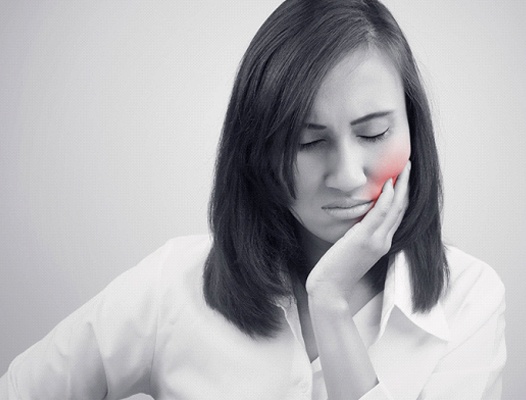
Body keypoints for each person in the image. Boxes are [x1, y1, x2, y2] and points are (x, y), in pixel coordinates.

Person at [0, 0, 506, 399]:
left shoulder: (469, 298)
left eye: (373, 134)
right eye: (309, 142)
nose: (349, 177)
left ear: (413, 130)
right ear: (259, 149)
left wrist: (328, 302)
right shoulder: (173, 286)